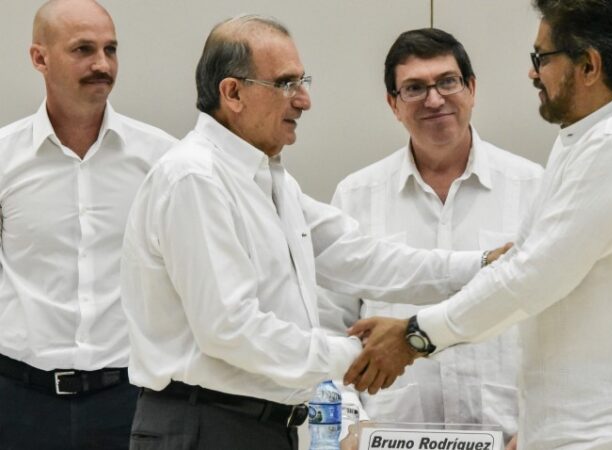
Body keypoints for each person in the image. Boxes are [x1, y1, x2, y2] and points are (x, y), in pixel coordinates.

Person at [342, 1, 612, 449]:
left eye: (542, 58)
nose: (532, 73)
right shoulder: (583, 140)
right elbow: (520, 265)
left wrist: (415, 335)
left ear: (589, 66)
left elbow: (529, 279)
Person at [121, 15, 508, 450]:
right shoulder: (194, 178)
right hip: (205, 425)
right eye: (286, 84)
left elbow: (361, 257)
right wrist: (366, 353)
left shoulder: (270, 181)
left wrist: (482, 265)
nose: (303, 100)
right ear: (233, 93)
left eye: (302, 82)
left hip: (260, 426)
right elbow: (230, 328)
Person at [318, 28, 542, 448]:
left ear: (472, 88)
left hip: (513, 440)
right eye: (414, 88)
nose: (434, 99)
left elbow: (564, 326)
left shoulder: (533, 188)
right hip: (386, 441)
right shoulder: (355, 196)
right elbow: (328, 328)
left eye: (447, 82)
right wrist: (348, 427)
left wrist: (536, 431)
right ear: (393, 104)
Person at [0, 1, 177, 449]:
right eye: (83, 49)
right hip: (17, 401)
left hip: (130, 401)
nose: (103, 64)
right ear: (39, 58)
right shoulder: (4, 158)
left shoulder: (161, 160)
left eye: (110, 49)